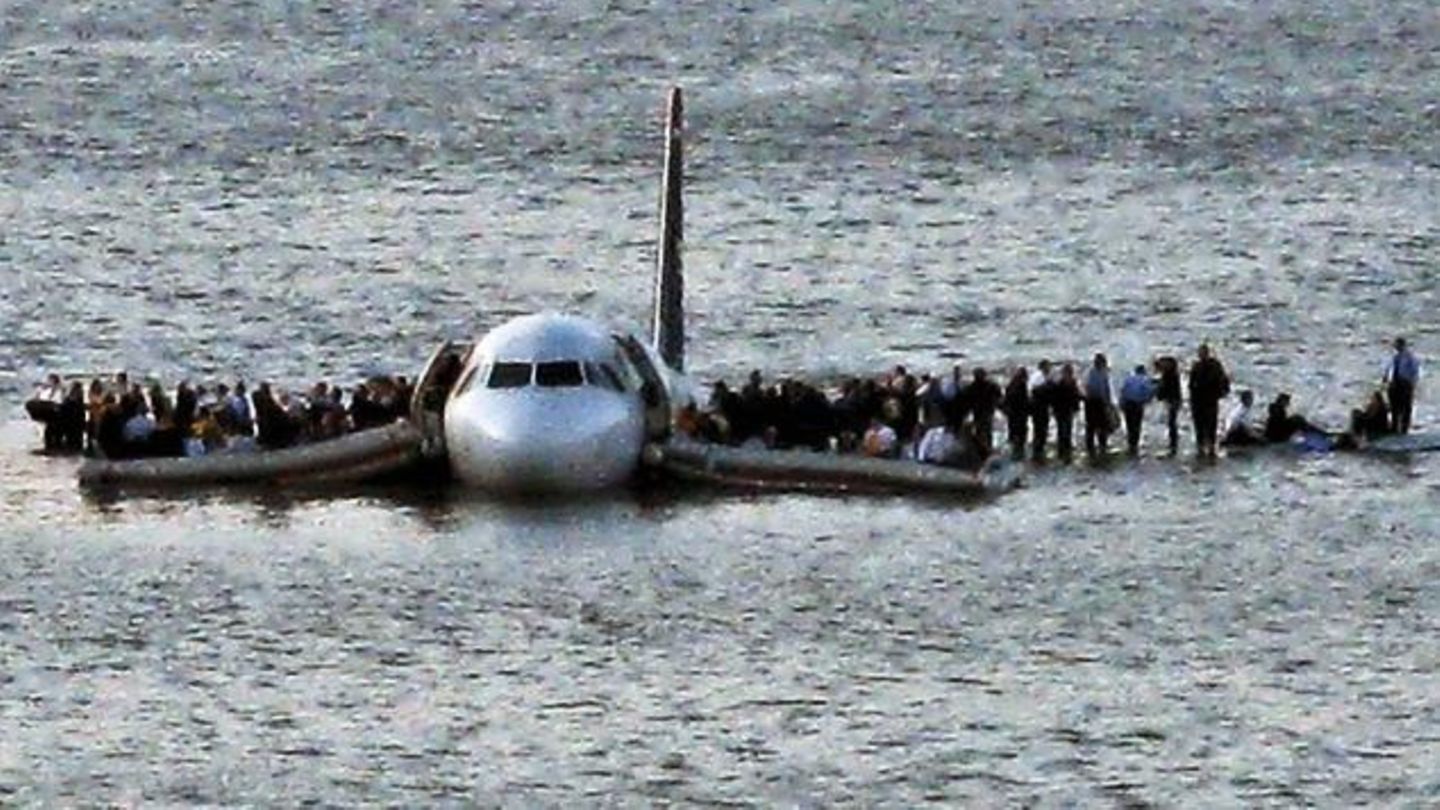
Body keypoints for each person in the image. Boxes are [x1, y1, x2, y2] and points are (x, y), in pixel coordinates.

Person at [1188, 344, 1231, 457]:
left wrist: (1223, 393)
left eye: (1203, 353)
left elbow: (1224, 380)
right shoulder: (1196, 366)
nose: (1201, 355)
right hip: (1198, 400)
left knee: (1211, 424)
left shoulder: (1215, 366)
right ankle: (1201, 447)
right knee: (1199, 425)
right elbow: (1191, 384)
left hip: (1210, 399)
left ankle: (1211, 447)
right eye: (1200, 353)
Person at [1384, 338, 1420, 434]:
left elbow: (1414, 372)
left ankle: (1404, 429)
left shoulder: (1410, 357)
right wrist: (1386, 380)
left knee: (1405, 407)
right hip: (1394, 384)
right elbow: (1389, 370)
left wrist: (1412, 384)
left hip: (1405, 384)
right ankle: (1394, 427)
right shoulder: (1394, 357)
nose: (1396, 347)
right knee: (1394, 407)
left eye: (1398, 345)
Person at [1083, 353, 1115, 459]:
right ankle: (1094, 447)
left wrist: (1109, 402)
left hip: (1095, 401)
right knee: (1094, 426)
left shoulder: (1093, 372)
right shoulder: (1095, 373)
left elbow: (1105, 389)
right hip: (1094, 402)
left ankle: (1098, 447)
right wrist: (1108, 402)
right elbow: (1103, 389)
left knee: (1099, 426)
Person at [1118, 365, 1155, 455]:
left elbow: (1123, 391)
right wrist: (1148, 400)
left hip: (1127, 403)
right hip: (1137, 404)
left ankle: (1130, 443)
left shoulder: (1129, 378)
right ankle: (1135, 445)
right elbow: (1149, 392)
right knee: (1137, 424)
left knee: (1129, 424)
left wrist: (1121, 404)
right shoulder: (1145, 379)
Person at [1051, 364, 1082, 462]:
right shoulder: (1060, 384)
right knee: (1062, 430)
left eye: (1070, 373)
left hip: (1068, 410)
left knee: (1067, 430)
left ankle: (1066, 450)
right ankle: (1062, 450)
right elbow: (1054, 399)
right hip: (1061, 411)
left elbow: (1076, 396)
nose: (1069, 375)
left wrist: (1076, 407)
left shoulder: (1072, 383)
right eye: (1068, 373)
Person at [968, 368, 1002, 458]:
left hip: (979, 412)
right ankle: (987, 450)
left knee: (981, 431)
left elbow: (967, 400)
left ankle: (982, 451)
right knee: (986, 431)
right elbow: (999, 395)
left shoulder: (972, 386)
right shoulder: (990, 385)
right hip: (986, 411)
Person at [1154, 356, 1183, 456]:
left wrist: (1159, 394)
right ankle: (1173, 444)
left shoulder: (1169, 375)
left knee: (1171, 422)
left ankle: (1173, 445)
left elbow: (1165, 389)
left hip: (1173, 401)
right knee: (1172, 422)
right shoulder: (1173, 374)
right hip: (1174, 400)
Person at [1002, 367, 1030, 460]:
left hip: (1013, 414)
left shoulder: (1011, 385)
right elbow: (1024, 401)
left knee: (1014, 434)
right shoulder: (1021, 386)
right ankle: (1018, 454)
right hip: (1019, 414)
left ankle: (1015, 453)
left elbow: (1006, 399)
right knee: (1020, 434)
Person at [1029, 360, 1053, 461]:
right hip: (1039, 409)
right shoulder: (1039, 377)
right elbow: (1036, 390)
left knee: (1040, 430)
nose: (1049, 369)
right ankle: (1038, 452)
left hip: (1040, 408)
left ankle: (1038, 451)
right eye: (1048, 367)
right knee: (1040, 431)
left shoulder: (1039, 377)